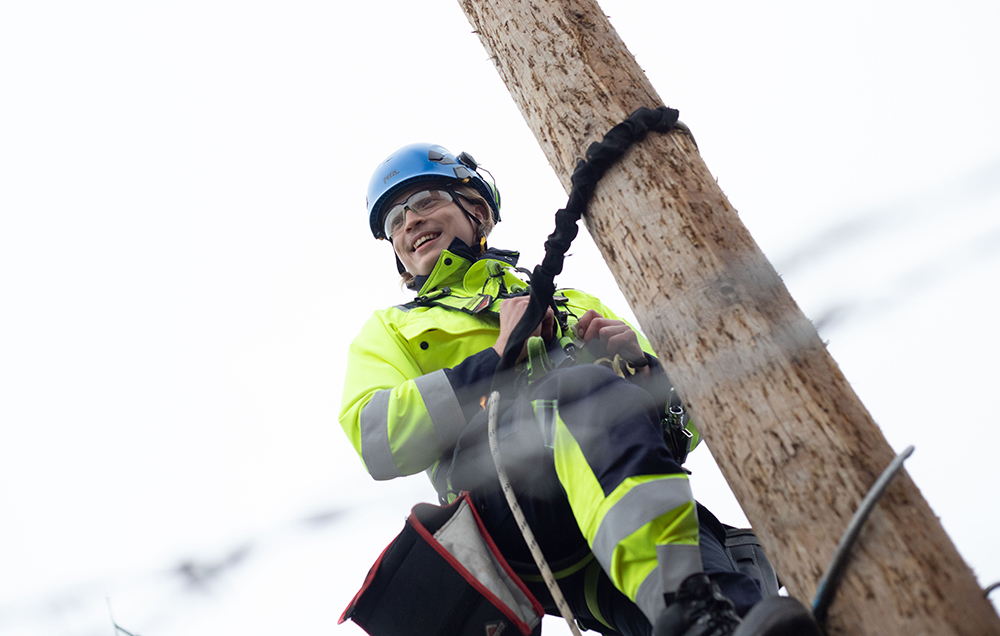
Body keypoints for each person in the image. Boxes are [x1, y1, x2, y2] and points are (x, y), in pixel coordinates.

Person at [339, 143, 807, 636]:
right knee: (581, 394)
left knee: (711, 561)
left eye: (425, 200)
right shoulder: (392, 328)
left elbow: (687, 428)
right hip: (512, 509)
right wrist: (497, 358)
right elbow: (379, 439)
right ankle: (688, 605)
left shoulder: (573, 301)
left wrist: (644, 370)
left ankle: (721, 623)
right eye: (394, 220)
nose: (408, 222)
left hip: (610, 505)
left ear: (476, 209)